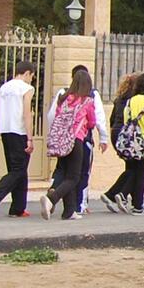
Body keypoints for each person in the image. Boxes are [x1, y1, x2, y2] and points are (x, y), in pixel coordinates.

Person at [0, 60, 37, 218]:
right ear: (27, 73)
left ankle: (18, 207)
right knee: (18, 170)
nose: (31, 79)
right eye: (31, 76)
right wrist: (30, 138)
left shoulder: (4, 87)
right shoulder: (26, 88)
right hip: (19, 132)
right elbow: (27, 113)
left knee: (19, 170)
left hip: (5, 131)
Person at [42, 69, 97, 220]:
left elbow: (56, 115)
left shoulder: (64, 98)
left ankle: (69, 211)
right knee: (73, 177)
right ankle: (51, 199)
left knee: (66, 173)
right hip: (76, 141)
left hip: (62, 140)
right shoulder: (88, 101)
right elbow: (92, 122)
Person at [103, 72, 144, 214]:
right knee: (142, 173)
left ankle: (122, 195)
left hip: (131, 140)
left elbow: (124, 119)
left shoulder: (130, 101)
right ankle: (137, 205)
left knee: (133, 170)